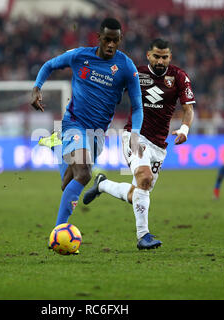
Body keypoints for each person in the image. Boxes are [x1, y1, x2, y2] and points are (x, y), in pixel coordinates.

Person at [31, 18, 144, 244]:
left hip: (97, 134)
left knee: (68, 184)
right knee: (84, 173)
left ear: (120, 39)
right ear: (98, 37)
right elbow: (49, 65)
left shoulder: (126, 67)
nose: (111, 45)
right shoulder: (80, 55)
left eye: (115, 40)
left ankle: (56, 146)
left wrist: (135, 133)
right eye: (107, 40)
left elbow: (138, 106)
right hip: (74, 123)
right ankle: (58, 233)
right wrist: (37, 88)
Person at [82, 38, 196, 249]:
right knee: (145, 177)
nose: (160, 61)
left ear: (169, 57)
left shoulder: (179, 77)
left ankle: (103, 185)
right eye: (156, 56)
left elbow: (188, 109)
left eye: (164, 57)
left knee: (139, 193)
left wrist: (184, 129)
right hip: (134, 135)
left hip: (159, 146)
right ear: (148, 55)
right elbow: (110, 88)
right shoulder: (136, 73)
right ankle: (143, 236)